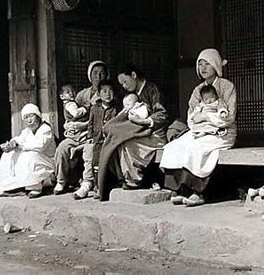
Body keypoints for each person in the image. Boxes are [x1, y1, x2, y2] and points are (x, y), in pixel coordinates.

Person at [160, 48, 237, 207]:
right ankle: (180, 190)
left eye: (207, 63)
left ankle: (198, 192)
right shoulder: (198, 90)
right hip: (200, 130)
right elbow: (191, 116)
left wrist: (208, 119)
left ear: (215, 65)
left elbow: (229, 116)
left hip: (222, 132)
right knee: (174, 146)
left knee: (197, 148)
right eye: (200, 64)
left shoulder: (227, 87)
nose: (203, 68)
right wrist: (198, 125)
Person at [98, 64, 168, 200]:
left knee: (126, 142)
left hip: (155, 134)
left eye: (125, 81)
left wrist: (144, 121)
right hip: (142, 132)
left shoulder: (152, 90)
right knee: (119, 140)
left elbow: (162, 115)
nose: (123, 85)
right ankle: (128, 178)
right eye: (121, 83)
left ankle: (135, 179)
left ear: (134, 75)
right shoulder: (133, 95)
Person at [54, 60, 109, 196]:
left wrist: (83, 125)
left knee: (90, 150)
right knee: (62, 148)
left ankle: (87, 182)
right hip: (77, 134)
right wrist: (68, 125)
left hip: (92, 134)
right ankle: (61, 181)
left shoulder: (108, 93)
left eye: (102, 73)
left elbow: (104, 119)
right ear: (90, 75)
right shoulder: (82, 94)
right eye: (95, 73)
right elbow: (73, 114)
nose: (98, 76)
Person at [0, 103, 56, 198]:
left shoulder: (45, 129)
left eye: (31, 116)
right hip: (36, 158)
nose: (29, 120)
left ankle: (35, 186)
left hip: (47, 161)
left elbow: (39, 146)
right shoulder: (28, 131)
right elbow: (19, 139)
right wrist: (11, 144)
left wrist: (19, 145)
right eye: (26, 118)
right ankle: (8, 184)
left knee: (29, 156)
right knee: (8, 154)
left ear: (38, 116)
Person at [87, 80, 119, 200]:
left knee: (110, 163)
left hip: (110, 141)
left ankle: (111, 185)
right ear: (99, 94)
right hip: (97, 140)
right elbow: (90, 124)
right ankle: (97, 187)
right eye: (104, 91)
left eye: (110, 91)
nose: (108, 94)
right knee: (96, 164)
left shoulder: (115, 109)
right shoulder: (95, 108)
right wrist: (90, 136)